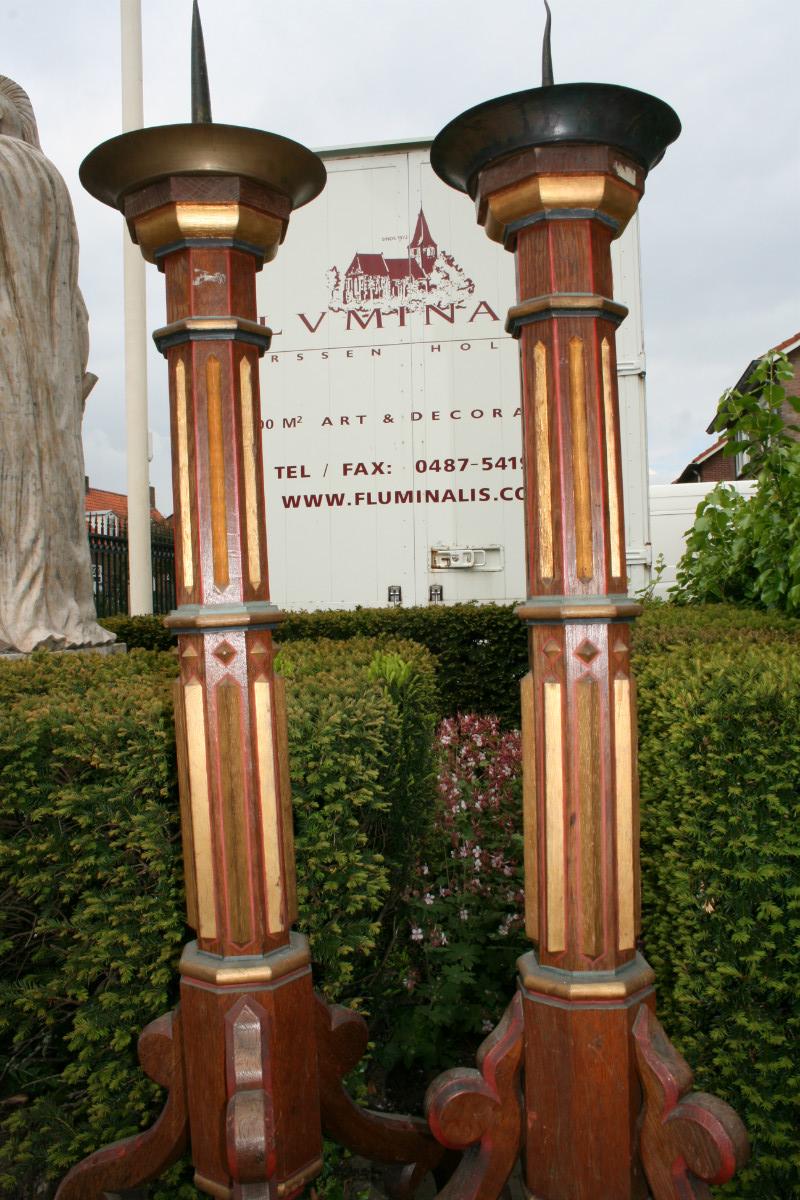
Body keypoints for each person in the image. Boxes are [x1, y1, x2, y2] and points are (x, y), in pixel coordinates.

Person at [0, 76, 115, 653]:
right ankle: (53, 607)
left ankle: (24, 611)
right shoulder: (47, 179)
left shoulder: (17, 171)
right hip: (48, 383)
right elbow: (75, 307)